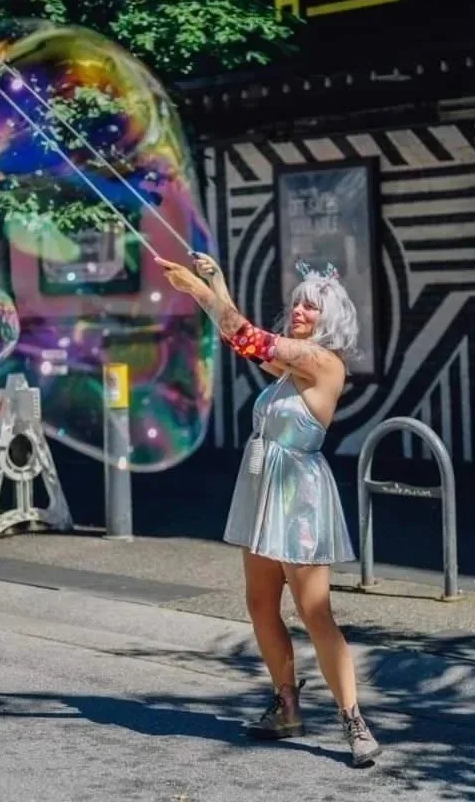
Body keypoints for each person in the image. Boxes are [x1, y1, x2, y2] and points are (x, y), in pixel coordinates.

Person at [155, 250, 382, 768]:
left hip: (298, 498)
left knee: (315, 612)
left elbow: (249, 336)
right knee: (260, 605)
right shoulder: (288, 367)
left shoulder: (323, 364)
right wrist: (218, 282)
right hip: (263, 493)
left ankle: (352, 719)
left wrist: (197, 289)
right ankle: (287, 705)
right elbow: (245, 341)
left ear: (332, 321)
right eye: (298, 305)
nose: (300, 312)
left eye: (311, 308)